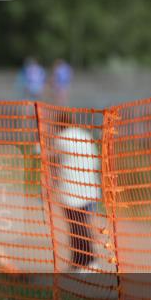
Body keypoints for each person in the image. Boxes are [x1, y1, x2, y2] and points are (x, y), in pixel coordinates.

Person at [48, 116, 103, 270]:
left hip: (71, 192)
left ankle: (86, 261)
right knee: (85, 225)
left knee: (77, 229)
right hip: (91, 189)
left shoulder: (62, 139)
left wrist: (50, 186)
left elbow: (51, 161)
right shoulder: (85, 135)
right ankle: (80, 261)